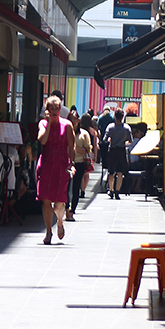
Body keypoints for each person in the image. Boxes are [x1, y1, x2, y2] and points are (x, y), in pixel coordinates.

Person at [37, 95, 76, 244]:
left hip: (61, 165)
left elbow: (71, 146)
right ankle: (48, 231)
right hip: (47, 164)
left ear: (60, 109)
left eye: (56, 109)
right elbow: (43, 140)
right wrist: (47, 122)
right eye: (51, 109)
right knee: (45, 199)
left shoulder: (66, 125)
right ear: (47, 110)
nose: (54, 112)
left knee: (59, 201)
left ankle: (59, 221)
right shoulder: (43, 123)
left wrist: (71, 163)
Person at [65, 109, 92, 220]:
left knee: (76, 187)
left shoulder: (83, 134)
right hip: (66, 164)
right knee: (66, 187)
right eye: (71, 119)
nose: (73, 121)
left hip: (79, 163)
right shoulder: (64, 132)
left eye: (75, 119)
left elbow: (88, 149)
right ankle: (66, 208)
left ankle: (72, 209)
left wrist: (74, 149)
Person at [104, 108, 133, 199]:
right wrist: (124, 142)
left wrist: (110, 140)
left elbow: (105, 139)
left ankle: (111, 190)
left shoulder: (110, 127)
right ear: (122, 117)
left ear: (115, 117)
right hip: (122, 151)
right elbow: (130, 140)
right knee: (120, 173)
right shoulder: (127, 128)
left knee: (111, 172)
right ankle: (117, 191)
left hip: (112, 150)